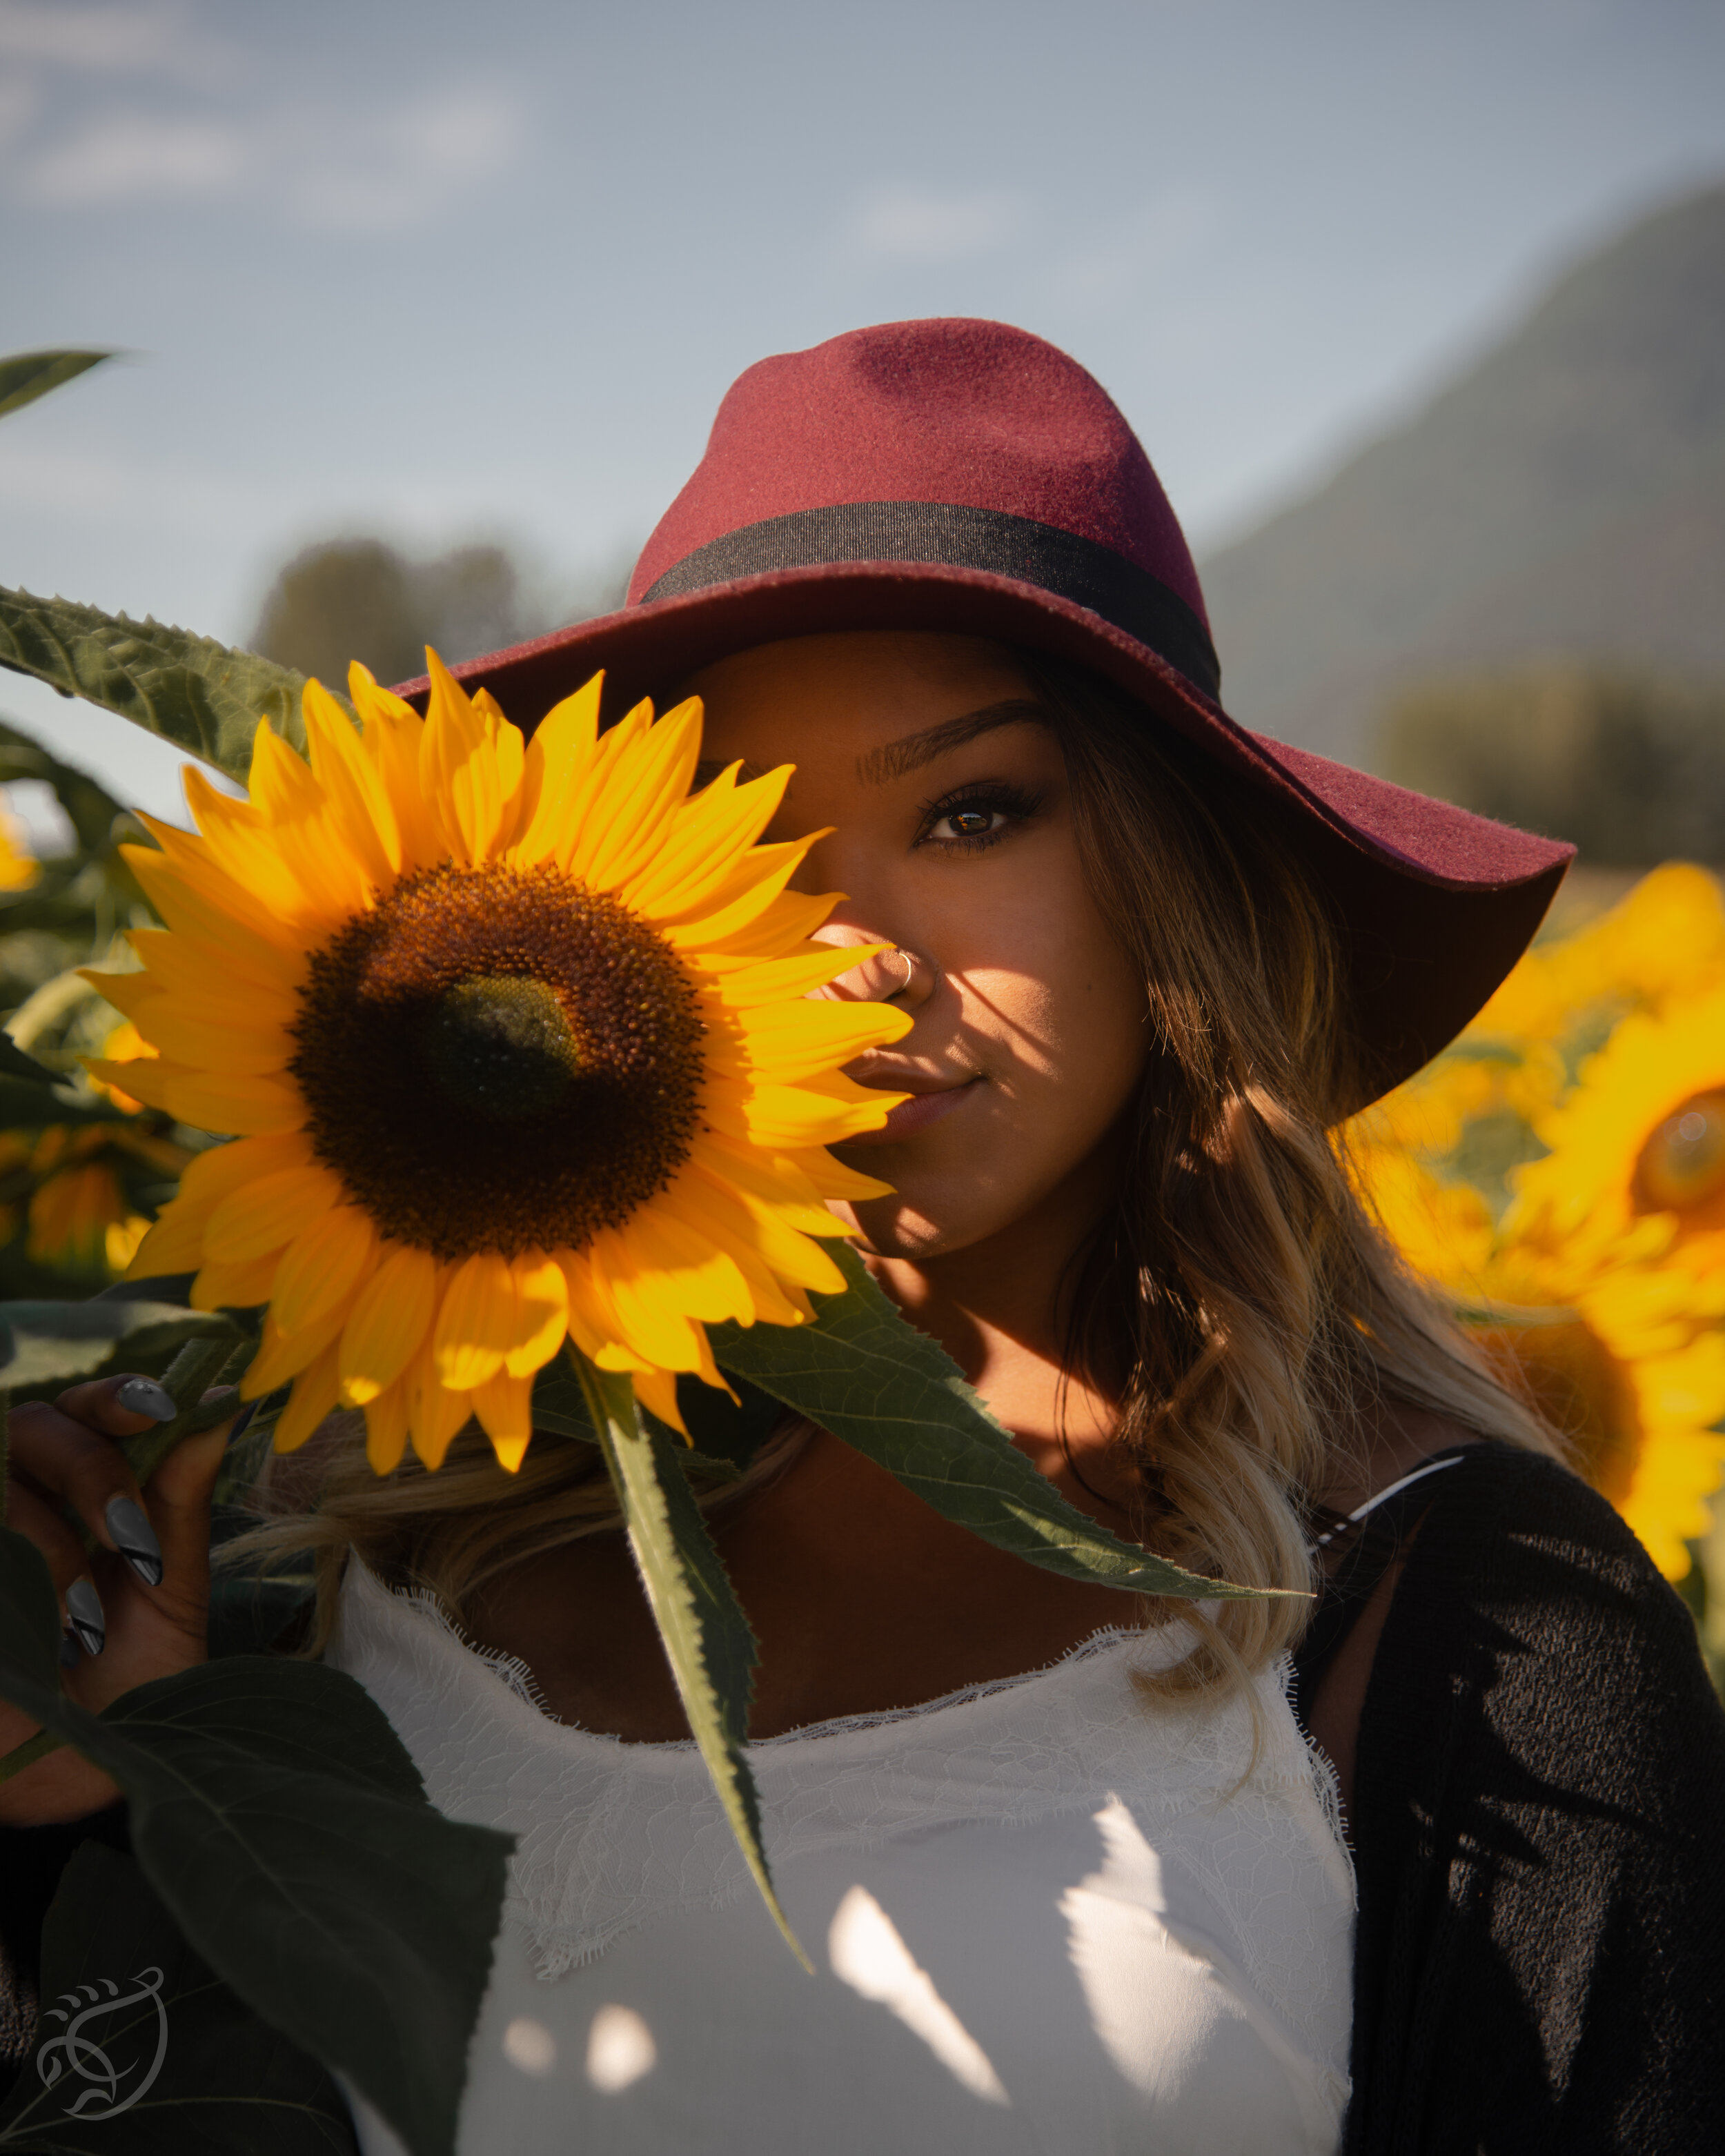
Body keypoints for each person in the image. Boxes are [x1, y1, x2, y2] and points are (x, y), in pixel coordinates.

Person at [3, 319, 1722, 2153]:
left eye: (970, 812)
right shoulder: (371, 1491)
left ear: (1171, 869)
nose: (851, 961)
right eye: (749, 855)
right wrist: (89, 1814)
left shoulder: (1465, 1611)